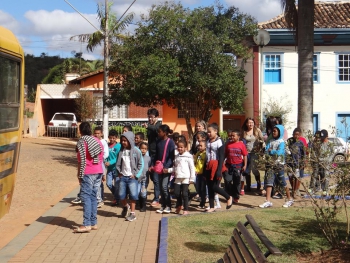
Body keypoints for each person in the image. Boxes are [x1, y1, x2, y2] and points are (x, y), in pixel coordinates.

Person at [73, 122, 103, 233]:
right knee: (93, 197)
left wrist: (79, 175)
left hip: (88, 172)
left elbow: (81, 160)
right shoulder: (97, 141)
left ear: (81, 130)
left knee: (85, 196)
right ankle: (93, 222)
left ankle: (86, 224)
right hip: (98, 171)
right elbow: (101, 157)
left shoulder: (82, 142)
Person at [259, 125, 294, 208]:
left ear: (280, 132)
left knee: (283, 182)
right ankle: (267, 201)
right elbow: (266, 151)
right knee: (269, 182)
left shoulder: (282, 142)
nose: (273, 132)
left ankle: (289, 199)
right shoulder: (270, 141)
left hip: (279, 165)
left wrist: (271, 151)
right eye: (273, 131)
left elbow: (279, 153)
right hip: (270, 164)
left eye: (275, 131)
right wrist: (271, 151)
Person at [116, 131, 144, 222]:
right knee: (121, 195)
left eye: (125, 140)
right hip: (123, 177)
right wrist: (119, 172)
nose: (123, 142)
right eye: (122, 140)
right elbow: (118, 163)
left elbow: (141, 164)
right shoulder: (121, 151)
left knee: (133, 196)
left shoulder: (136, 150)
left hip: (132, 178)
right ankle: (125, 206)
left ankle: (132, 214)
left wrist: (136, 175)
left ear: (130, 140)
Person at [205, 123, 233, 212]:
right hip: (209, 165)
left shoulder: (219, 141)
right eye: (207, 132)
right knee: (209, 186)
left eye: (210, 132)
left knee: (214, 186)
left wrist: (219, 169)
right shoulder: (208, 141)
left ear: (215, 131)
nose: (208, 134)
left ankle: (228, 197)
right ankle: (212, 206)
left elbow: (221, 157)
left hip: (216, 165)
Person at [166, 139, 195, 215]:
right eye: (178, 147)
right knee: (176, 193)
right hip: (178, 177)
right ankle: (179, 205)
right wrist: (168, 170)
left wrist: (192, 178)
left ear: (185, 148)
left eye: (182, 147)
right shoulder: (177, 157)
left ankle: (186, 209)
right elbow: (176, 167)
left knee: (184, 194)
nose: (180, 149)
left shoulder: (189, 157)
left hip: (186, 178)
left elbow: (192, 168)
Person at [152, 124, 175, 214]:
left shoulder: (170, 142)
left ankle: (168, 206)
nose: (158, 133)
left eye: (159, 132)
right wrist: (153, 165)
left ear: (165, 133)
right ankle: (163, 205)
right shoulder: (158, 141)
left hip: (166, 168)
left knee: (164, 187)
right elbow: (156, 155)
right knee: (161, 187)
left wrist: (166, 167)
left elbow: (171, 156)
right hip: (159, 167)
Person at [144, 108, 162, 207]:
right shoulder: (150, 127)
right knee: (151, 175)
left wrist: (149, 127)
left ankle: (156, 198)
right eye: (149, 117)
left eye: (151, 117)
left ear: (156, 117)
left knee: (155, 177)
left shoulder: (159, 126)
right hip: (150, 154)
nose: (150, 119)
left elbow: (157, 130)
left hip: (157, 155)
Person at [241, 118, 264, 193]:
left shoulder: (257, 131)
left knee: (254, 169)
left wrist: (261, 147)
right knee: (247, 169)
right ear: (246, 124)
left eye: (252, 122)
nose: (251, 124)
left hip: (255, 152)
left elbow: (262, 140)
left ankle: (258, 183)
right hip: (246, 153)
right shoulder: (244, 132)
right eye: (249, 123)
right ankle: (248, 186)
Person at [225, 130, 247, 204]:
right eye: (231, 136)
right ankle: (229, 195)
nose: (232, 137)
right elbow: (225, 154)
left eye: (233, 136)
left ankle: (236, 196)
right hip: (228, 165)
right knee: (227, 180)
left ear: (238, 137)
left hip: (238, 166)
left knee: (237, 182)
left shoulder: (241, 145)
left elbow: (245, 155)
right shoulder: (228, 144)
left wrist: (245, 165)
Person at [309, 129, 332, 195]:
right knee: (315, 174)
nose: (321, 139)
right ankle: (312, 188)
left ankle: (325, 189)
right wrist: (315, 159)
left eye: (323, 138)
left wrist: (329, 160)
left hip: (326, 162)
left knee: (325, 175)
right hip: (318, 161)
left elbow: (332, 153)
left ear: (327, 137)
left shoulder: (330, 144)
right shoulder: (318, 144)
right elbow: (314, 152)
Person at [286, 128, 306, 198]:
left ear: (300, 135)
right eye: (295, 134)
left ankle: (294, 191)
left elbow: (303, 154)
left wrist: (303, 162)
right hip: (289, 163)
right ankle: (293, 188)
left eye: (298, 135)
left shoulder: (301, 143)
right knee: (291, 177)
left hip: (297, 163)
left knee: (297, 177)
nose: (296, 136)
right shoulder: (289, 141)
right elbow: (286, 151)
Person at [93, 126, 109, 208]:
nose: (96, 135)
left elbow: (106, 153)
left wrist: (100, 157)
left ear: (101, 134)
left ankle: (100, 199)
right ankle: (99, 198)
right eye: (95, 133)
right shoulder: (92, 141)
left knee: (100, 181)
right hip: (95, 164)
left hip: (101, 162)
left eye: (98, 133)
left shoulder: (103, 142)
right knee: (98, 182)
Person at [104, 129, 121, 205]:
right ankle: (117, 195)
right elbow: (105, 156)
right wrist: (105, 162)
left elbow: (118, 157)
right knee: (108, 184)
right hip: (109, 169)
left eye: (113, 138)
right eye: (110, 138)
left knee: (117, 184)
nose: (112, 139)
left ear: (116, 138)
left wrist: (110, 162)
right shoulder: (106, 146)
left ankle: (116, 199)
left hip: (116, 169)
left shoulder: (118, 146)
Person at [138, 142, 151, 212]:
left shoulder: (149, 158)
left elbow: (149, 167)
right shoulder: (137, 157)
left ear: (147, 150)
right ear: (139, 149)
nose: (143, 150)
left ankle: (143, 206)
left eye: (145, 149)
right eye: (142, 148)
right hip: (137, 179)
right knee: (137, 192)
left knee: (143, 192)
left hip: (145, 179)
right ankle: (139, 204)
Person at [194, 140, 207, 209]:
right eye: (199, 145)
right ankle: (201, 199)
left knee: (203, 188)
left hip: (203, 174)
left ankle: (203, 202)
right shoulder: (198, 153)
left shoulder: (206, 154)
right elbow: (195, 162)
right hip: (197, 174)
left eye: (201, 146)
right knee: (198, 188)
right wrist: (195, 170)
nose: (199, 147)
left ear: (205, 147)